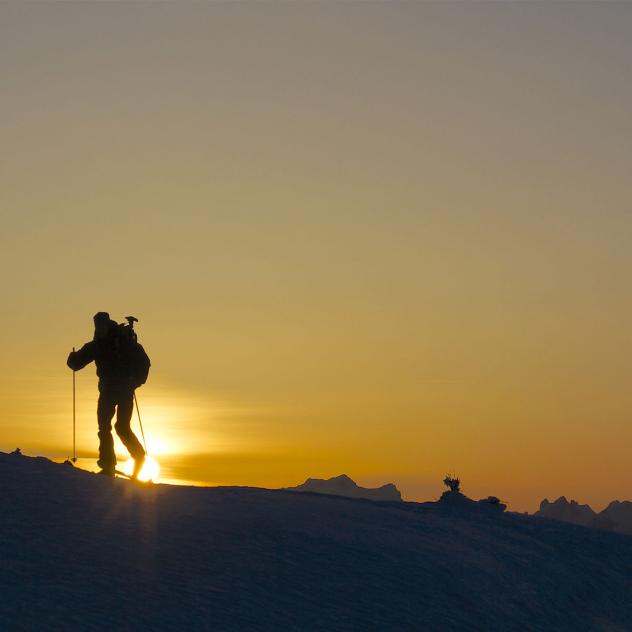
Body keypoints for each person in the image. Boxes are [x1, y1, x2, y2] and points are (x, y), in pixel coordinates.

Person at [67, 312, 151, 478]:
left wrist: (135, 382)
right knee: (108, 427)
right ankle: (111, 464)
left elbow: (144, 363)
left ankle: (130, 459)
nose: (99, 329)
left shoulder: (121, 342)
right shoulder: (98, 345)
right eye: (97, 326)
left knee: (119, 427)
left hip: (121, 391)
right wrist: (73, 359)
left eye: (101, 325)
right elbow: (76, 363)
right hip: (112, 391)